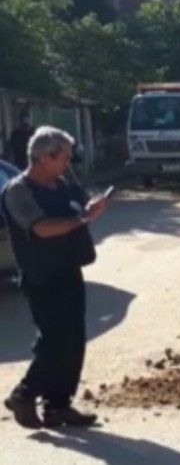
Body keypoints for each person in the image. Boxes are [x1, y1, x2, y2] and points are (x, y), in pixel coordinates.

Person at [2, 127, 109, 429]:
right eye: (64, 157)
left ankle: (58, 406)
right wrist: (83, 218)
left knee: (73, 342)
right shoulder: (18, 191)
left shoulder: (61, 185)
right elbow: (42, 228)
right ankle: (24, 394)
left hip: (69, 271)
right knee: (54, 342)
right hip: (41, 276)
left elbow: (79, 208)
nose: (68, 163)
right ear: (44, 157)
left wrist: (91, 207)